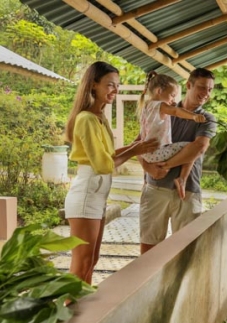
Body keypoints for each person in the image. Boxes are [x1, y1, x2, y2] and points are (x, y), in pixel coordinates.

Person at [64, 61, 159, 284]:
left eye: (117, 86)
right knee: (82, 263)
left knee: (92, 260)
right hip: (86, 196)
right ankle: (67, 314)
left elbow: (107, 154)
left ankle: (82, 310)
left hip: (96, 196)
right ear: (93, 84)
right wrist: (136, 149)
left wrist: (136, 144)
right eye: (110, 85)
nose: (114, 91)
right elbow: (103, 165)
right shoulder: (86, 118)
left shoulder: (98, 117)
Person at [138, 68, 217, 254]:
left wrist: (166, 166)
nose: (206, 94)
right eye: (202, 87)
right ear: (188, 85)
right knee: (149, 249)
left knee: (185, 251)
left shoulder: (206, 119)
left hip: (187, 192)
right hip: (155, 188)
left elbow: (199, 147)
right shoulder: (163, 109)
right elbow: (140, 146)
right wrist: (149, 168)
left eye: (210, 90)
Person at [137, 71, 206, 199]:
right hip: (157, 152)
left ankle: (173, 179)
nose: (173, 99)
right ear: (159, 91)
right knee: (190, 148)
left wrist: (168, 104)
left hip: (147, 153)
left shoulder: (147, 106)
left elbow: (168, 110)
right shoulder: (160, 105)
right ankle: (182, 179)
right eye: (172, 95)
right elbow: (175, 111)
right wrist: (194, 116)